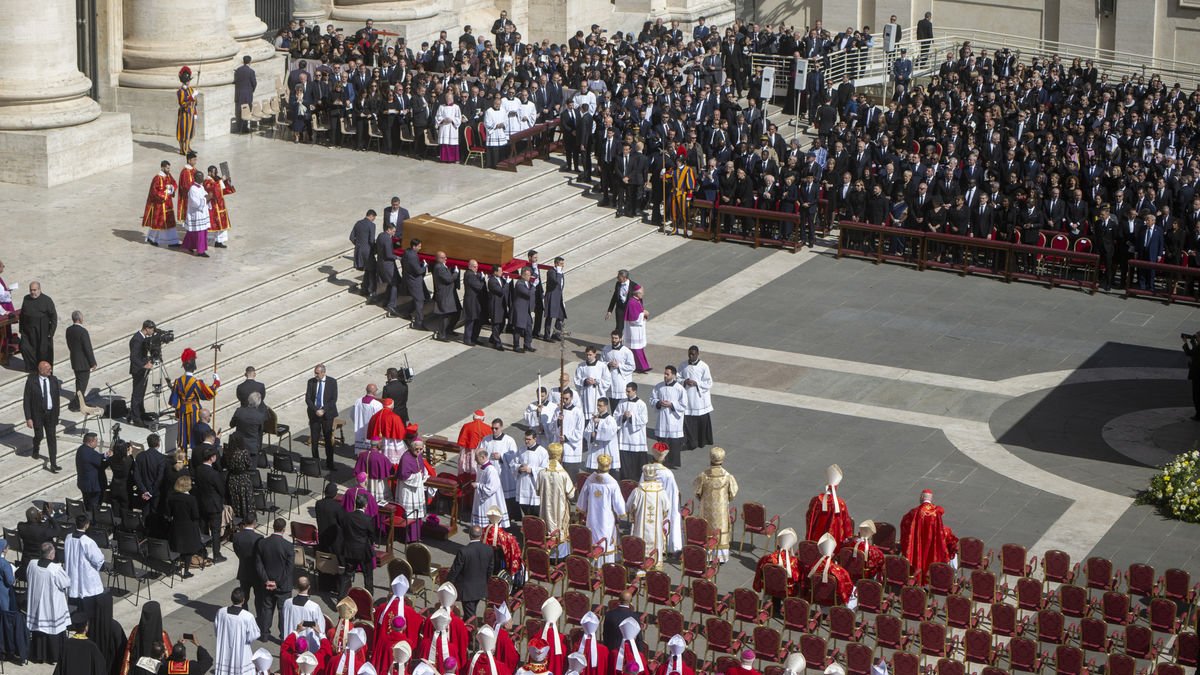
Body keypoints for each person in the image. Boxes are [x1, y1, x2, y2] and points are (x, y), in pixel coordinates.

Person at [899, 489, 958, 584]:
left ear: (922, 497)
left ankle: (916, 579)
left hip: (918, 542)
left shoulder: (913, 512)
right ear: (931, 498)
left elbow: (904, 524)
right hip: (932, 543)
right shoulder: (936, 511)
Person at [577, 454, 624, 565]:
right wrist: (621, 512)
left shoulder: (590, 480)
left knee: (593, 538)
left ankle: (593, 566)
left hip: (592, 517)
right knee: (606, 539)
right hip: (606, 519)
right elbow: (619, 504)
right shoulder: (612, 483)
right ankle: (606, 567)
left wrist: (583, 508)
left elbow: (582, 498)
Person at [694, 447, 738, 563]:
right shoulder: (727, 476)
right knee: (721, 529)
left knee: (707, 529)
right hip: (721, 509)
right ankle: (721, 557)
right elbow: (733, 493)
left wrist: (702, 499)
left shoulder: (703, 475)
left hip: (707, 508)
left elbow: (697, 490)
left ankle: (707, 555)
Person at [26, 542, 68, 664]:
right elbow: (66, 583)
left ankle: (39, 655)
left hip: (37, 604)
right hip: (51, 605)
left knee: (39, 628)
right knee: (52, 629)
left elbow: (29, 576)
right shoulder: (55, 569)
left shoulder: (32, 564)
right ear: (51, 555)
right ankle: (54, 656)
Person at [170, 348, 220, 450]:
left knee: (183, 436)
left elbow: (173, 401)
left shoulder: (177, 381)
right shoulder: (196, 382)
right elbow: (208, 394)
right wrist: (216, 383)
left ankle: (182, 460)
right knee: (196, 436)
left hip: (183, 410)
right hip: (194, 411)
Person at [254, 517, 295, 641]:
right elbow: (289, 568)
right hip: (283, 586)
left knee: (266, 609)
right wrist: (277, 583)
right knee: (283, 612)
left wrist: (266, 580)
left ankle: (264, 634)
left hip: (266, 584)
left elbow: (258, 564)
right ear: (284, 529)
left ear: (273, 527)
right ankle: (283, 637)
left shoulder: (262, 543)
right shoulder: (288, 546)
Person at [626, 464, 669, 570]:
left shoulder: (638, 491)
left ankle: (639, 569)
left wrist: (633, 516)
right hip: (656, 529)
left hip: (640, 526)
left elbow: (629, 506)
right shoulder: (661, 492)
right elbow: (667, 509)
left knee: (639, 544)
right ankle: (655, 568)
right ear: (655, 476)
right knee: (656, 543)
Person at [536, 443, 575, 559]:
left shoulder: (542, 473)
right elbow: (571, 494)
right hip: (560, 509)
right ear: (560, 456)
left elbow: (537, 491)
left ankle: (547, 554)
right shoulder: (563, 474)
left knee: (547, 527)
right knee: (560, 528)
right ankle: (560, 556)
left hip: (545, 510)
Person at [446, 525, 494, 620]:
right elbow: (490, 569)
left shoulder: (464, 551)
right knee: (471, 611)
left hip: (467, 590)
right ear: (481, 535)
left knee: (470, 617)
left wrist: (447, 583)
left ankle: (472, 632)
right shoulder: (488, 550)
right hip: (481, 588)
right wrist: (485, 582)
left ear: (469, 535)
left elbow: (455, 570)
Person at [63, 514, 106, 614]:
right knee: (87, 608)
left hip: (72, 575)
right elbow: (98, 559)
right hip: (86, 579)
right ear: (87, 525)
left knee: (75, 607)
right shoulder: (88, 542)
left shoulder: (68, 537)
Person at [25, 360, 62, 471]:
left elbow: (57, 399)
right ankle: (36, 448)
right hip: (38, 415)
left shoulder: (54, 380)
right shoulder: (32, 381)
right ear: (40, 370)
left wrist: (57, 415)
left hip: (51, 414)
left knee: (52, 439)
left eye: (50, 368)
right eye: (47, 369)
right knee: (39, 435)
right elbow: (27, 400)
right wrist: (28, 418)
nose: (50, 370)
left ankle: (53, 463)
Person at [752, 527, 803, 609]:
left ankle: (773, 604)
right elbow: (797, 578)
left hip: (768, 586)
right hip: (786, 589)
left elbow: (759, 573)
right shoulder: (794, 562)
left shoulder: (767, 558)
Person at [214, 588, 260, 675]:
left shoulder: (221, 612)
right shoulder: (247, 616)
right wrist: (245, 639)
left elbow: (217, 630)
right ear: (243, 600)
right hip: (241, 650)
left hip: (224, 648)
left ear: (232, 598)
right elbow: (254, 634)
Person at [374, 575, 425, 654]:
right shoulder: (409, 611)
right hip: (402, 650)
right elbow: (418, 623)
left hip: (383, 647)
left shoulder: (382, 608)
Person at [340, 493, 377, 596]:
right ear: (365, 505)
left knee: (347, 575)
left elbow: (343, 530)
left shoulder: (347, 516)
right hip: (364, 552)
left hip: (350, 550)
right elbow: (372, 535)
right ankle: (369, 599)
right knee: (368, 576)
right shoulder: (367, 519)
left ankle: (341, 597)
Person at [480, 419, 519, 516]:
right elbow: (480, 453)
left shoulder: (509, 440)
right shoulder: (486, 439)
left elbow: (514, 456)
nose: (494, 430)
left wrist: (501, 456)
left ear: (501, 427)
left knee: (504, 498)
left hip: (504, 474)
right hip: (490, 473)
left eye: (496, 428)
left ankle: (507, 517)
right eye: (492, 428)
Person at [678, 346, 714, 451]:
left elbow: (709, 382)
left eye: (693, 354)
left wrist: (696, 383)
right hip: (688, 397)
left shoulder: (704, 366)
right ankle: (690, 441)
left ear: (698, 354)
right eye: (689, 354)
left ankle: (702, 440)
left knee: (701, 419)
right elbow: (678, 377)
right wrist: (685, 381)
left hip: (699, 399)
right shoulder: (683, 365)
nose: (691, 356)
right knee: (688, 420)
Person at [805, 465, 853, 543]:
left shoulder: (815, 501)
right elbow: (846, 524)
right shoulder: (840, 504)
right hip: (835, 541)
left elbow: (809, 519)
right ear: (836, 486)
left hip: (816, 540)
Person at [650, 367, 685, 470]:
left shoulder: (679, 389)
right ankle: (660, 459)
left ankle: (672, 462)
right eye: (664, 374)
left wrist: (671, 404)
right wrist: (659, 402)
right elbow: (652, 399)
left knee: (673, 442)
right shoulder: (658, 387)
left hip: (674, 420)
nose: (665, 376)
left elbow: (684, 404)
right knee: (662, 440)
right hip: (662, 419)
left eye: (667, 374)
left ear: (673, 375)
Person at [195, 448, 226, 563]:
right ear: (212, 458)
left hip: (202, 503)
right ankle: (216, 555)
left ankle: (202, 551)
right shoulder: (214, 474)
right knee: (215, 531)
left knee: (203, 528)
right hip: (214, 505)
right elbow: (221, 490)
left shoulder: (198, 470)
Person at [305, 364, 339, 470]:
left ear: (323, 372)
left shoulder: (332, 382)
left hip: (327, 414)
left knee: (328, 439)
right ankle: (315, 462)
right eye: (315, 372)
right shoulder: (311, 382)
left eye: (317, 373)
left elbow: (333, 399)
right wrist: (316, 410)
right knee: (314, 439)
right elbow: (308, 398)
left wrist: (323, 410)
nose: (315, 375)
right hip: (314, 414)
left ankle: (330, 463)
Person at [122, 604, 171, 675]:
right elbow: (169, 655)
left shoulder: (136, 630)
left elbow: (128, 652)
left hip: (137, 671)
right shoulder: (162, 634)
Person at [19, 281, 57, 371]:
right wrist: (21, 329)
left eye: (35, 290)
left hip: (42, 332)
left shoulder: (47, 300)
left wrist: (51, 333)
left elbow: (54, 317)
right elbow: (22, 315)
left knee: (43, 352)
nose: (33, 292)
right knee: (24, 348)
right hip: (28, 332)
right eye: (31, 290)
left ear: (39, 289)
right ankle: (32, 368)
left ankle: (44, 370)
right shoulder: (26, 299)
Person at [395, 439, 427, 543]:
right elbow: (404, 476)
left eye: (421, 449)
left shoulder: (418, 455)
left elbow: (422, 468)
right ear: (411, 448)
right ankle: (408, 537)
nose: (419, 451)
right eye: (416, 449)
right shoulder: (406, 458)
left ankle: (417, 536)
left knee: (416, 513)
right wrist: (419, 475)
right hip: (408, 490)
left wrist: (423, 475)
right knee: (410, 514)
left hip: (417, 490)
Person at [142, 161, 180, 247]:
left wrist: (172, 188)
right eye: (167, 168)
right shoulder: (157, 178)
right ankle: (152, 238)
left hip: (168, 204)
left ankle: (172, 241)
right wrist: (165, 193)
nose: (169, 170)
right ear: (162, 167)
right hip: (160, 204)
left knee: (170, 222)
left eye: (169, 168)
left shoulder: (169, 175)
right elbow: (154, 192)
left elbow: (174, 183)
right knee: (158, 223)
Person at [809, 533, 855, 607]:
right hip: (834, 600)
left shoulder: (813, 567)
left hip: (817, 597)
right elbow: (847, 587)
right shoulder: (839, 571)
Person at [482, 507, 523, 584]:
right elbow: (511, 547)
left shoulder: (484, 530)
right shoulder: (503, 535)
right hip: (498, 558)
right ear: (500, 520)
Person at [65, 311, 96, 410]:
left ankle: (80, 401)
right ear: (79, 319)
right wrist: (93, 363)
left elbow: (69, 344)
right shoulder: (83, 332)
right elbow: (88, 348)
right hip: (83, 363)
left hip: (75, 360)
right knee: (82, 384)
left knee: (79, 383)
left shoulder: (68, 330)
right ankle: (76, 404)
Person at [231, 516, 263, 611]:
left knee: (243, 597)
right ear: (255, 523)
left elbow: (237, 551)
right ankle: (260, 617)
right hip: (256, 573)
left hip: (244, 571)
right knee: (259, 598)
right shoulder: (259, 538)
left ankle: (243, 614)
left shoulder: (237, 536)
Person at [472, 449, 510, 529]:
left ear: (483, 457)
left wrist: (478, 485)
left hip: (490, 501)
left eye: (476, 458)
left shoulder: (491, 470)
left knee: (490, 527)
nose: (475, 460)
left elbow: (491, 488)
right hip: (484, 500)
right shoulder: (482, 468)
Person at [128, 321, 156, 425]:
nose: (152, 331)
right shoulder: (137, 339)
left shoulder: (143, 338)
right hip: (138, 370)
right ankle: (135, 417)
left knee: (141, 393)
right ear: (146, 328)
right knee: (137, 394)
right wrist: (143, 365)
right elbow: (133, 357)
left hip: (143, 369)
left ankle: (141, 412)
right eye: (152, 329)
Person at [514, 430, 547, 517]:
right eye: (525, 439)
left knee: (535, 512)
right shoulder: (521, 449)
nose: (526, 441)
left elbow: (545, 469)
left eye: (529, 439)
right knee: (525, 510)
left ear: (535, 439)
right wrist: (519, 467)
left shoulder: (542, 451)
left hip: (534, 486)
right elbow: (514, 463)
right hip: (523, 484)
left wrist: (531, 470)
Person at [431, 252, 462, 341]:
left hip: (450, 294)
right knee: (444, 315)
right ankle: (441, 335)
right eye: (443, 258)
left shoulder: (442, 266)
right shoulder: (439, 267)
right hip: (444, 295)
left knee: (457, 312)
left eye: (445, 257)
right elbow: (448, 279)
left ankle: (448, 329)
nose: (446, 259)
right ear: (437, 258)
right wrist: (456, 273)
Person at [204, 165, 236, 248]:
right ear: (210, 172)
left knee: (221, 224)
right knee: (216, 224)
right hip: (214, 206)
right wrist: (221, 180)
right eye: (215, 172)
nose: (216, 174)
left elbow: (221, 191)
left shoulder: (215, 180)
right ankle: (210, 241)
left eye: (217, 172)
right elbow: (213, 190)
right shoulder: (207, 181)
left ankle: (219, 241)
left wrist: (227, 183)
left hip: (220, 205)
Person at [181, 170, 211, 256]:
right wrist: (207, 198)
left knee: (193, 232)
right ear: (195, 178)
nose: (202, 178)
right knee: (199, 233)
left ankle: (189, 245)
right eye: (200, 177)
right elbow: (195, 203)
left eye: (202, 176)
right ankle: (200, 251)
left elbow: (205, 194)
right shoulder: (193, 189)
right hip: (196, 214)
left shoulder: (201, 187)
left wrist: (208, 197)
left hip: (202, 213)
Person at [229, 391, 267, 459]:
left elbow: (231, 424)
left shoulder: (239, 411)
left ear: (249, 400)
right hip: (252, 448)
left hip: (239, 446)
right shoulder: (260, 416)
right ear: (258, 403)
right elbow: (260, 431)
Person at [401, 239, 429, 329]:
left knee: (417, 299)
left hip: (409, 278)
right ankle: (419, 322)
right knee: (419, 301)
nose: (420, 248)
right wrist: (424, 266)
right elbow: (418, 270)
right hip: (414, 281)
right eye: (419, 246)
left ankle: (406, 312)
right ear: (414, 246)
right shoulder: (413, 256)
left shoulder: (406, 252)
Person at [622, 286, 650, 373]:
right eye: (642, 293)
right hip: (633, 330)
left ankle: (642, 366)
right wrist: (644, 313)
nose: (643, 294)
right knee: (636, 348)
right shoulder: (632, 303)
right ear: (637, 293)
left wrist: (643, 313)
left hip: (637, 330)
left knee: (638, 348)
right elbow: (634, 319)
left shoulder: (637, 301)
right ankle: (642, 367)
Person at [350, 210, 378, 297]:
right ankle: (371, 291)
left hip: (359, 250)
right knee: (372, 270)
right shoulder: (372, 225)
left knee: (367, 270)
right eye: (374, 218)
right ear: (371, 216)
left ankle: (364, 289)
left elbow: (351, 237)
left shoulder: (358, 223)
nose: (373, 220)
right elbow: (371, 240)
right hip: (368, 252)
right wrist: (375, 250)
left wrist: (359, 245)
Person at [376, 221, 401, 315]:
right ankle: (391, 304)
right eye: (393, 231)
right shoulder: (387, 239)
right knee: (394, 283)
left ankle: (386, 301)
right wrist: (398, 257)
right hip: (388, 265)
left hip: (381, 263)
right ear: (389, 230)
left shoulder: (380, 236)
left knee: (390, 284)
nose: (394, 233)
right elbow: (389, 254)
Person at [509, 267, 536, 353]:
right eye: (527, 275)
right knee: (518, 328)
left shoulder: (528, 283)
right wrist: (534, 286)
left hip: (526, 310)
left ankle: (527, 344)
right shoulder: (519, 284)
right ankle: (516, 346)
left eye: (529, 275)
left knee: (528, 327)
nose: (529, 277)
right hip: (520, 309)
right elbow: (528, 293)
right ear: (522, 275)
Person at [351, 385, 384, 453]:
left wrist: (358, 422)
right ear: (375, 392)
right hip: (371, 430)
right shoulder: (377, 404)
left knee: (361, 451)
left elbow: (351, 414)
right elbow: (379, 420)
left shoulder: (358, 401)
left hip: (359, 429)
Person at [542, 256, 567, 341]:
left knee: (561, 315)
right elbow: (557, 282)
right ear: (556, 264)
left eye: (563, 264)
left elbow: (561, 287)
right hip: (552, 297)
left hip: (558, 297)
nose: (562, 265)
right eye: (561, 264)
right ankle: (547, 335)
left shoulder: (560, 273)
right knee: (550, 316)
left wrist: (562, 299)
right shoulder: (551, 272)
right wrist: (559, 273)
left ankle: (556, 333)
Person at [435, 92, 463, 163]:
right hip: (444, 126)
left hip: (452, 127)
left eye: (450, 98)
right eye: (447, 98)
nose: (448, 100)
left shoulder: (456, 107)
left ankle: (454, 159)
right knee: (445, 143)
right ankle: (444, 158)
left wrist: (452, 120)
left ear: (453, 99)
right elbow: (438, 116)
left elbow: (459, 117)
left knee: (452, 143)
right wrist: (443, 120)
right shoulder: (441, 107)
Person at [176, 66, 197, 155]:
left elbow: (194, 102)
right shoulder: (180, 91)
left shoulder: (190, 89)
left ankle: (188, 147)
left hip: (191, 113)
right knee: (183, 131)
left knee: (190, 130)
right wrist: (191, 97)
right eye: (187, 81)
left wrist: (195, 110)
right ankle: (183, 149)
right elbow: (182, 103)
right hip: (184, 114)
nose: (189, 82)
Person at [605, 270, 634, 334]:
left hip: (630, 310)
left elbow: (639, 300)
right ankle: (618, 342)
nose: (617, 278)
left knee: (630, 328)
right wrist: (610, 310)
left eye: (618, 277)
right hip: (620, 309)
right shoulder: (618, 284)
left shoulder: (634, 286)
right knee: (619, 327)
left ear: (624, 278)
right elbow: (614, 297)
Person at [1185, 331, 1200, 420]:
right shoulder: (1198, 347)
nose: (1196, 338)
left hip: (1197, 375)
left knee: (1196, 395)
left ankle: (1198, 415)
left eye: (1197, 336)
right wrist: (1193, 341)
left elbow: (1189, 353)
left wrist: (1185, 342)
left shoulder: (1198, 348)